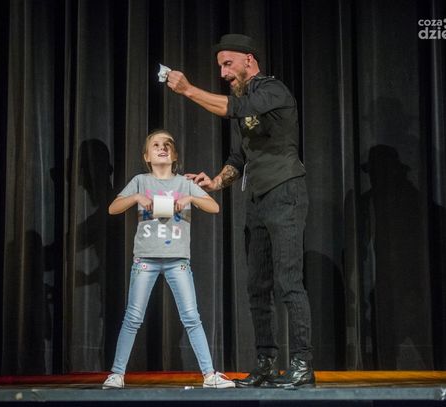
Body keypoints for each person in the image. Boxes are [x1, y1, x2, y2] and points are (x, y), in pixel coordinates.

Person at [166, 34, 315, 388]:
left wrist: (188, 90)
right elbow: (239, 157)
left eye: (228, 64)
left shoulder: (272, 91)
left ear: (249, 60)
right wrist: (215, 181)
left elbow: (234, 108)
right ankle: (266, 363)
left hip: (286, 192)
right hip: (258, 199)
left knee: (288, 281)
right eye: (220, 67)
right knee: (257, 286)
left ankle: (302, 364)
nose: (223, 73)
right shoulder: (245, 103)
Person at [102, 129, 235, 389]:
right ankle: (117, 373)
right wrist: (136, 198)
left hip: (178, 261)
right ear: (146, 156)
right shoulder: (140, 181)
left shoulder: (184, 184)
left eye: (167, 145)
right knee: (133, 317)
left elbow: (215, 207)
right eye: (156, 145)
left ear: (174, 156)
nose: (162, 148)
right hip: (145, 260)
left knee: (191, 317)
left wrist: (190, 197)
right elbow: (113, 208)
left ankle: (210, 375)